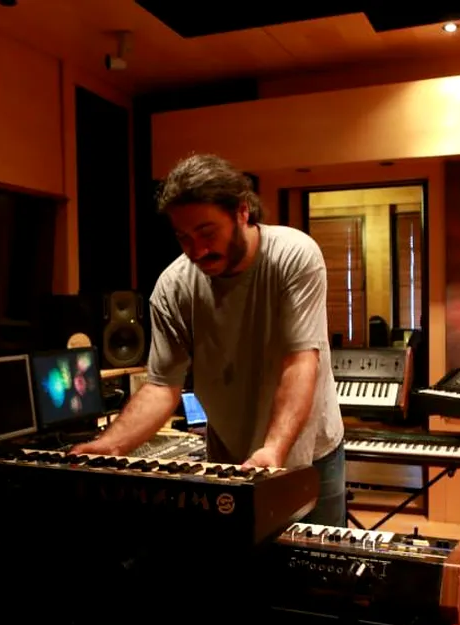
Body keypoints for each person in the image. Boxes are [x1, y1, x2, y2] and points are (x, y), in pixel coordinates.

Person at [70, 153, 346, 526]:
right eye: (183, 237)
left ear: (243, 211)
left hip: (313, 454)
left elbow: (299, 362)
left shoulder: (293, 256)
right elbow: (161, 386)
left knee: (316, 562)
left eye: (206, 232)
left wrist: (273, 449)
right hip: (229, 458)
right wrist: (111, 445)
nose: (196, 250)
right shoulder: (173, 287)